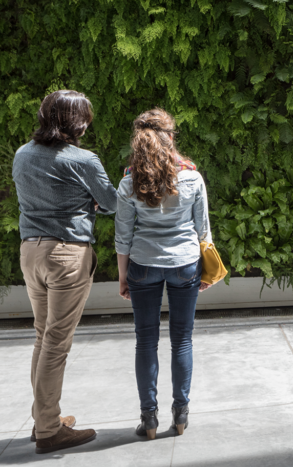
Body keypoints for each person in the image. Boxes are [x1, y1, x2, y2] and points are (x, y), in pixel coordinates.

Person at [13, 90, 117, 454]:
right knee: (56, 344)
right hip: (67, 253)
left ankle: (45, 418)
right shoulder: (83, 159)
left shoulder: (22, 153)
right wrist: (91, 201)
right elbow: (114, 202)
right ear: (78, 122)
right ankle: (48, 431)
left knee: (43, 337)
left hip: (31, 251)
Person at [114, 109, 213, 440]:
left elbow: (123, 236)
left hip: (143, 266)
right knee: (182, 339)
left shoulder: (129, 181)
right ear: (170, 138)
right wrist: (208, 269)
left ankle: (149, 419)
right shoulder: (192, 178)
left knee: (146, 340)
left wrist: (123, 276)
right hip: (185, 265)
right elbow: (203, 232)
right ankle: (181, 414)